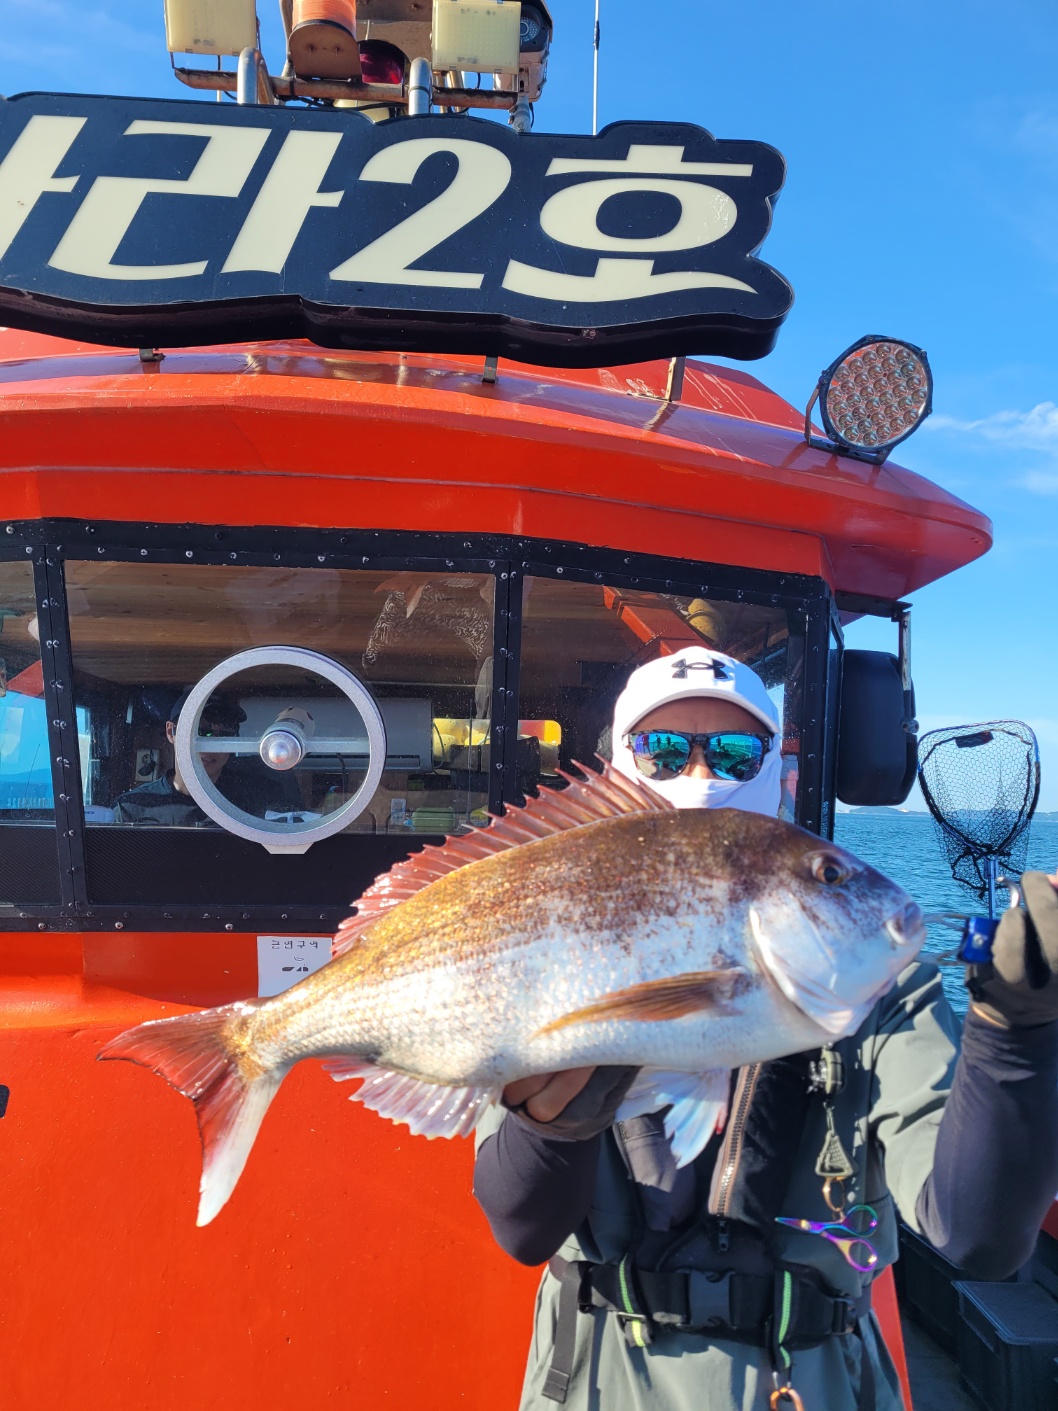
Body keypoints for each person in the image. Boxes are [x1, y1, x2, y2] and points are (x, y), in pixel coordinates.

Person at [473, 647, 1058, 1411]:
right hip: (595, 1378)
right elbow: (521, 1227)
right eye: (662, 749)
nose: (699, 773)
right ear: (620, 771)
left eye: (733, 752)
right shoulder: (549, 939)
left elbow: (976, 1236)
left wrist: (1014, 1033)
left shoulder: (885, 986)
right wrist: (554, 1114)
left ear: (779, 776)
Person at [113, 688, 248, 825]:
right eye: (201, 732)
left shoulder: (251, 802)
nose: (211, 745)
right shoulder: (131, 808)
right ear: (171, 732)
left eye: (225, 735)